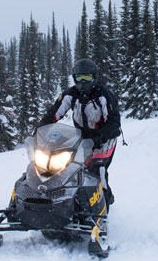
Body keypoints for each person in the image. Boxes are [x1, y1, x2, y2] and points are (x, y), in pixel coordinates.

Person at [36, 58, 121, 204]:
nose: (82, 81)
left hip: (104, 137)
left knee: (97, 170)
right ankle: (66, 201)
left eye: (86, 77)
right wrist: (39, 130)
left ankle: (104, 204)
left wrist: (100, 137)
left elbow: (114, 122)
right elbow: (54, 113)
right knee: (70, 168)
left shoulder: (104, 95)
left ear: (94, 78)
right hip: (81, 137)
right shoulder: (71, 94)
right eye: (79, 77)